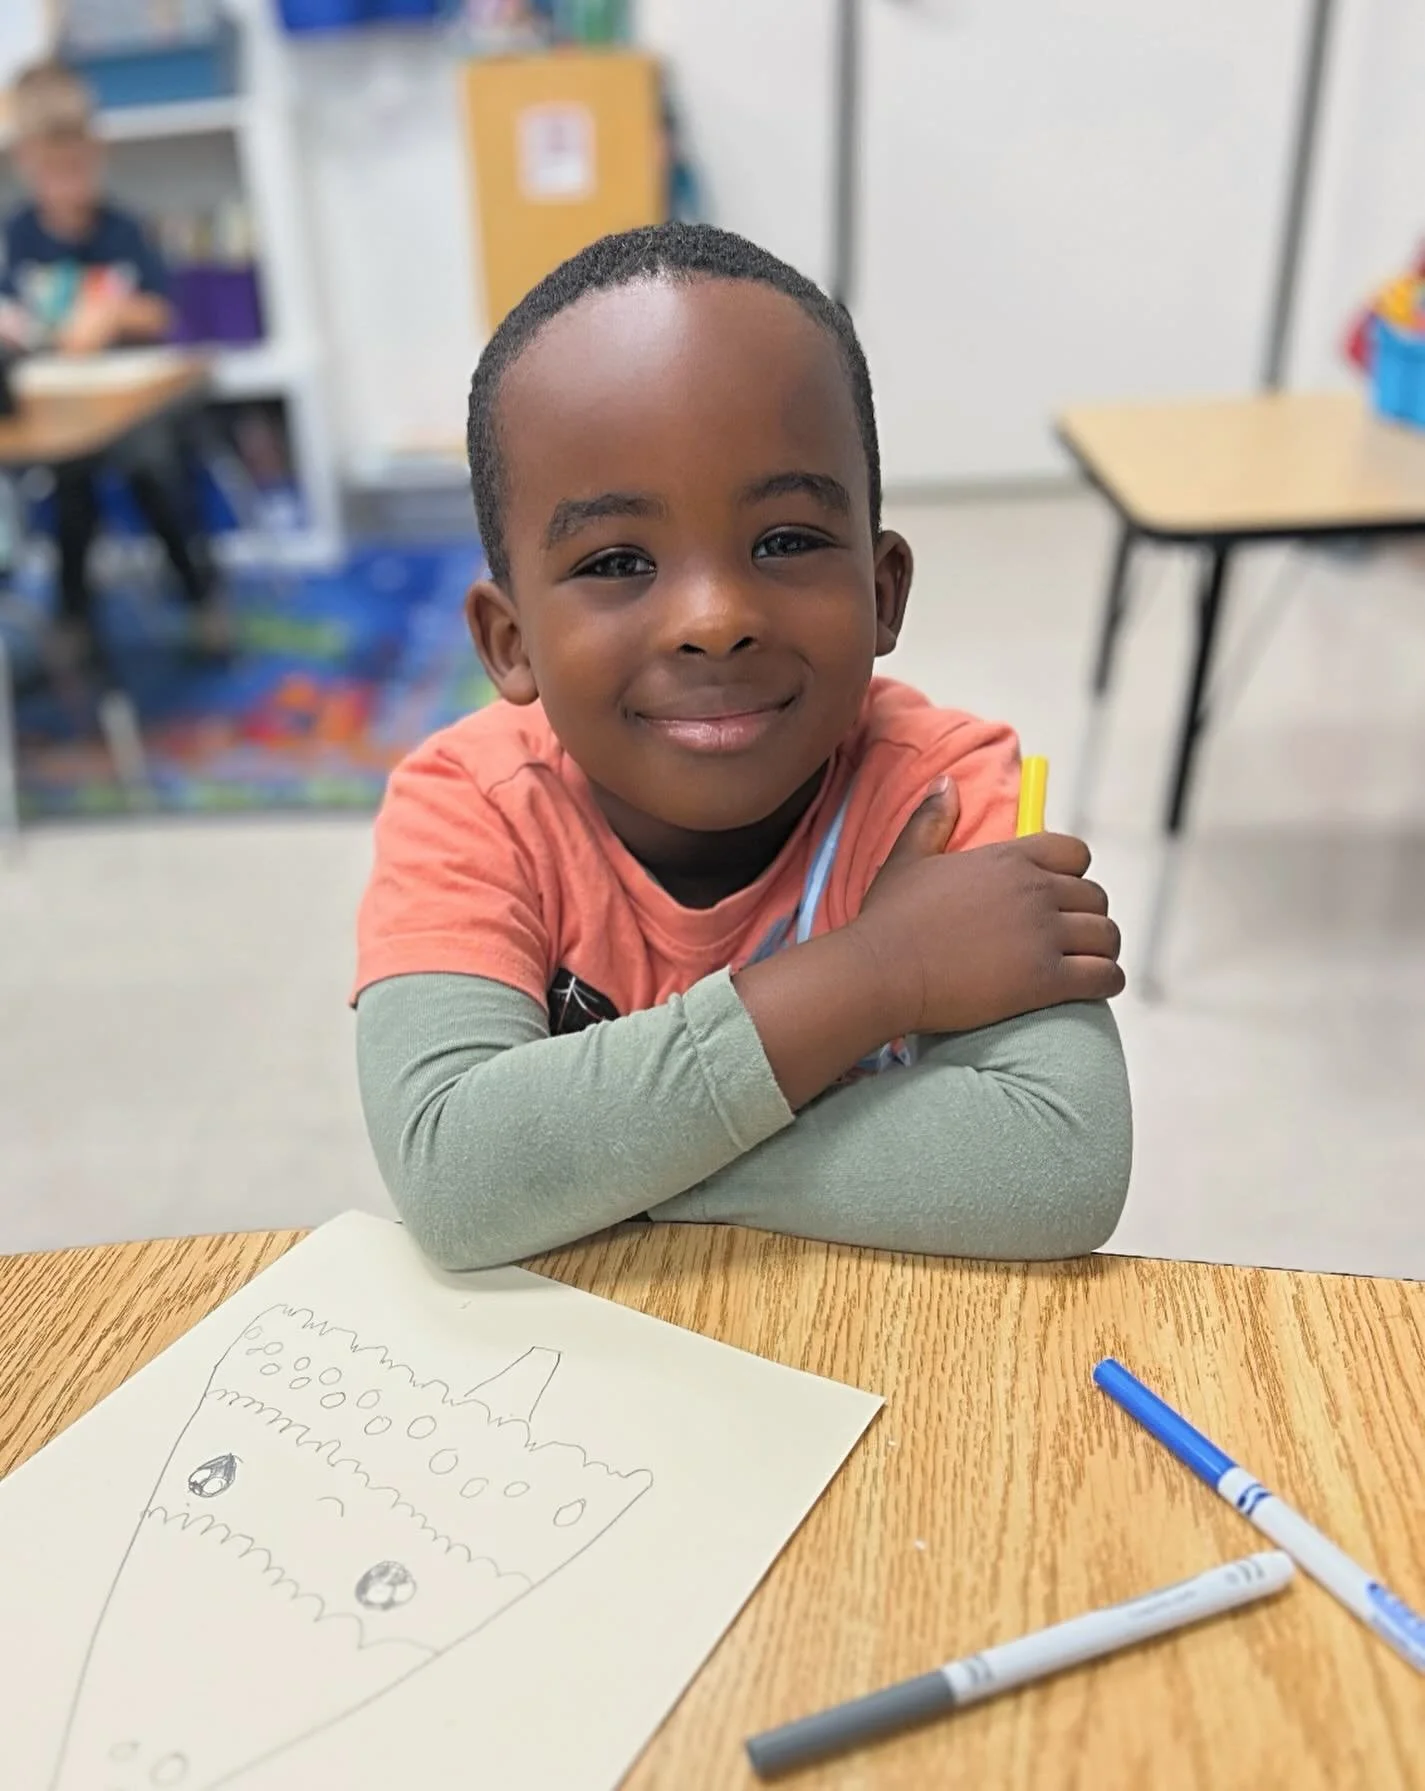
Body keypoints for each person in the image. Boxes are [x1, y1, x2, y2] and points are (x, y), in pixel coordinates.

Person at [354, 223, 1131, 1273]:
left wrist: (582, 1174)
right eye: (618, 559)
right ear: (509, 642)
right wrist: (878, 971)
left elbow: (1056, 1167)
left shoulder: (943, 792)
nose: (715, 619)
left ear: (883, 588)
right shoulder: (469, 805)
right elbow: (458, 1179)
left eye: (786, 541)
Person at [0, 60, 230, 666]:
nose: (67, 182)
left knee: (153, 469)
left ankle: (200, 594)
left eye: (77, 166)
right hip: (60, 405)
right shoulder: (18, 235)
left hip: (136, 406)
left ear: (96, 156)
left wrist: (115, 314)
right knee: (68, 484)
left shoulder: (122, 229)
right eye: (53, 170)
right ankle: (74, 616)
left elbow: (161, 313)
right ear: (27, 164)